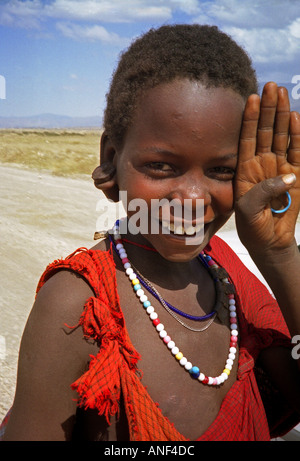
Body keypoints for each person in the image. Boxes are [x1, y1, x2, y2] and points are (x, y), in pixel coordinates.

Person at [1, 24, 300, 441]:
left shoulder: (226, 274)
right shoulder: (80, 305)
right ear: (110, 159)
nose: (194, 198)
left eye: (221, 170)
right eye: (162, 166)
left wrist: (279, 255)